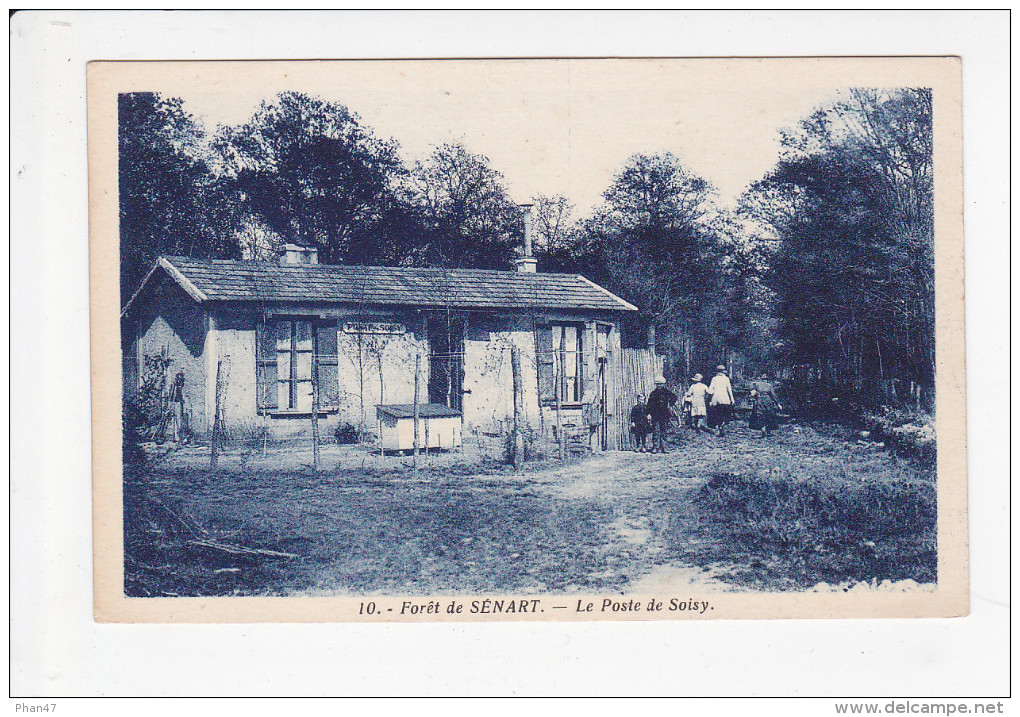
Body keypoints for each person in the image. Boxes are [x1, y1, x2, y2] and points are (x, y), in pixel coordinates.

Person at [646, 375, 678, 454]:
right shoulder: (653, 394)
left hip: (664, 414)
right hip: (655, 415)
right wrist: (649, 413)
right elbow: (649, 404)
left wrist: (670, 404)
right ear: (655, 385)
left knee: (664, 431)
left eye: (660, 384)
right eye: (657, 384)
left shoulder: (666, 392)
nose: (659, 386)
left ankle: (664, 447)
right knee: (656, 431)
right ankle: (655, 447)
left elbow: (674, 397)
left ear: (663, 384)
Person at [707, 364, 735, 436]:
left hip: (716, 399)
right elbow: (729, 390)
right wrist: (732, 399)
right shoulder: (726, 379)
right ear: (724, 372)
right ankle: (721, 426)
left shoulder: (714, 379)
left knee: (716, 414)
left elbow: (710, 390)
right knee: (724, 414)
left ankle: (717, 428)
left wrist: (710, 397)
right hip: (725, 399)